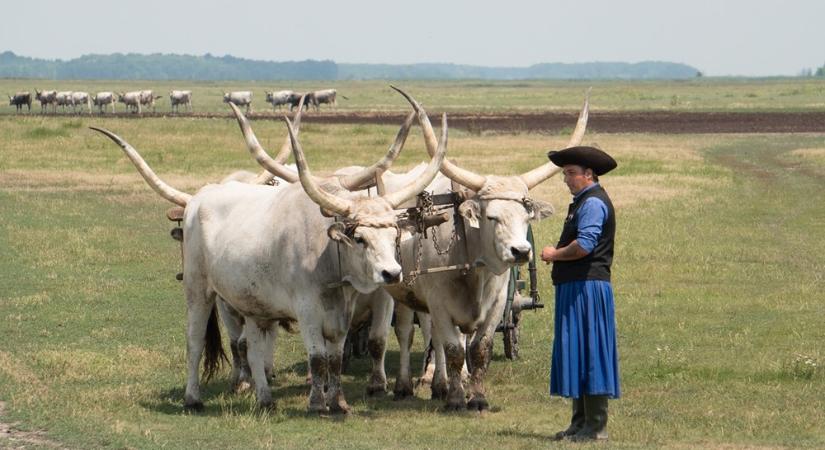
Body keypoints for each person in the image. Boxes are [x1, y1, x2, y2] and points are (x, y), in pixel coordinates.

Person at [540, 146, 620, 442]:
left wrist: (554, 254)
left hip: (587, 288)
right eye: (565, 174)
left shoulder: (593, 203)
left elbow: (585, 245)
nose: (566, 179)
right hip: (576, 287)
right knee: (579, 350)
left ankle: (596, 427)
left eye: (571, 173)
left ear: (589, 175)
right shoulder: (582, 201)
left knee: (591, 352)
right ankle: (579, 423)